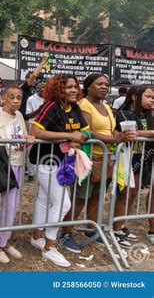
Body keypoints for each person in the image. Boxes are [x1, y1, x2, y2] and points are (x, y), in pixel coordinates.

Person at [59, 74, 134, 252]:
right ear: (88, 87)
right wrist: (111, 139)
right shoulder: (84, 105)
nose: (104, 87)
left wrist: (121, 136)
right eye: (99, 83)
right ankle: (66, 233)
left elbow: (112, 131)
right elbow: (88, 131)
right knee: (79, 199)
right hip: (88, 159)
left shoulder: (107, 106)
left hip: (106, 159)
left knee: (97, 197)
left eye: (106, 84)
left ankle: (91, 229)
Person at [29, 74, 89, 268]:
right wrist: (68, 135)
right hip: (44, 160)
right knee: (63, 204)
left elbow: (86, 130)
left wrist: (80, 137)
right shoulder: (51, 106)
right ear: (58, 89)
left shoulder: (75, 108)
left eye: (75, 87)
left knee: (44, 200)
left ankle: (37, 237)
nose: (73, 90)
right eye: (68, 87)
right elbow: (35, 132)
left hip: (62, 162)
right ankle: (49, 247)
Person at [0, 84, 34, 263]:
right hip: (4, 166)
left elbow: (22, 137)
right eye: (11, 97)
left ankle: (4, 241)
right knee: (8, 205)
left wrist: (28, 140)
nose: (15, 101)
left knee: (13, 206)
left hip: (19, 163)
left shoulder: (20, 115)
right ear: (4, 98)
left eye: (19, 98)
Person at [116, 86, 154, 245]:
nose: (152, 100)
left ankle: (122, 226)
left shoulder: (148, 114)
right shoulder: (123, 113)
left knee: (135, 194)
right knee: (125, 194)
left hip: (144, 159)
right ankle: (116, 228)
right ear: (134, 97)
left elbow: (141, 132)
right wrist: (151, 133)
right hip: (128, 159)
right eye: (148, 96)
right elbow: (132, 131)